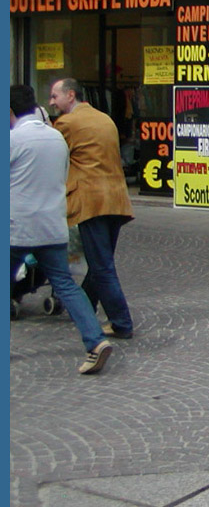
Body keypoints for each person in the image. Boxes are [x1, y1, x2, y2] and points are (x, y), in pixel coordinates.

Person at [10, 85, 114, 374]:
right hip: (53, 224)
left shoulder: (13, 140)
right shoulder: (57, 138)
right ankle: (95, 342)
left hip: (18, 228)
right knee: (66, 285)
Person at [49, 78, 135, 340]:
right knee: (102, 261)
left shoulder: (66, 123)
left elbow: (48, 149)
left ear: (70, 95)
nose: (51, 102)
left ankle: (121, 322)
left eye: (55, 96)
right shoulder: (104, 118)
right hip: (116, 199)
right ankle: (85, 309)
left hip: (91, 200)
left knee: (101, 266)